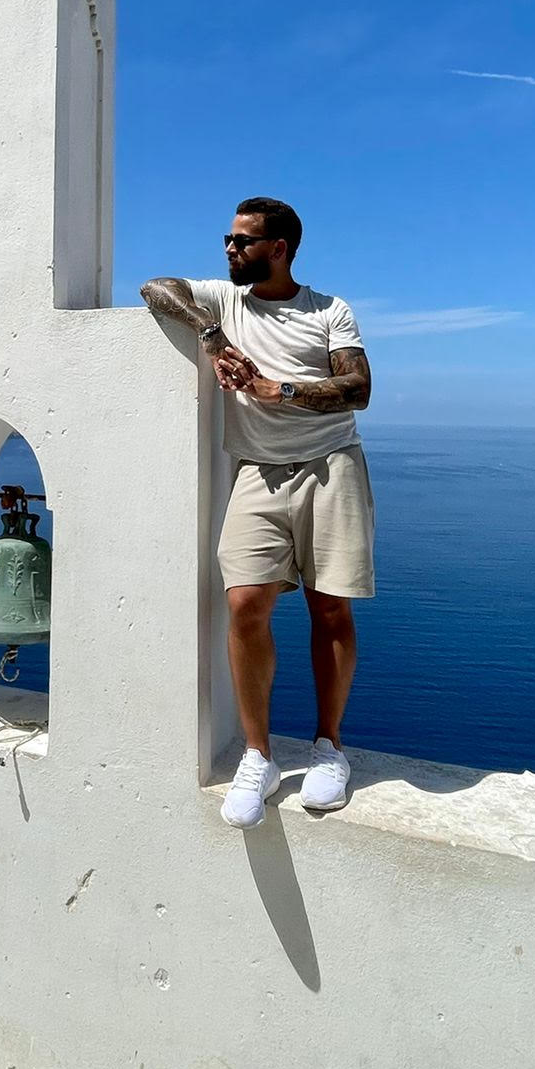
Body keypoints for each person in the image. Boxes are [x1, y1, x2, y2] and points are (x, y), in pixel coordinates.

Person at [141, 198, 374, 828]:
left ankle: (329, 750)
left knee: (329, 606)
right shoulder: (225, 299)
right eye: (227, 238)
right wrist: (212, 334)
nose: (228, 249)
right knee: (245, 604)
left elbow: (359, 389)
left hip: (331, 466)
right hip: (256, 473)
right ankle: (258, 755)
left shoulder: (329, 310)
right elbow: (155, 286)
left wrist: (279, 389)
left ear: (280, 248)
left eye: (242, 241)